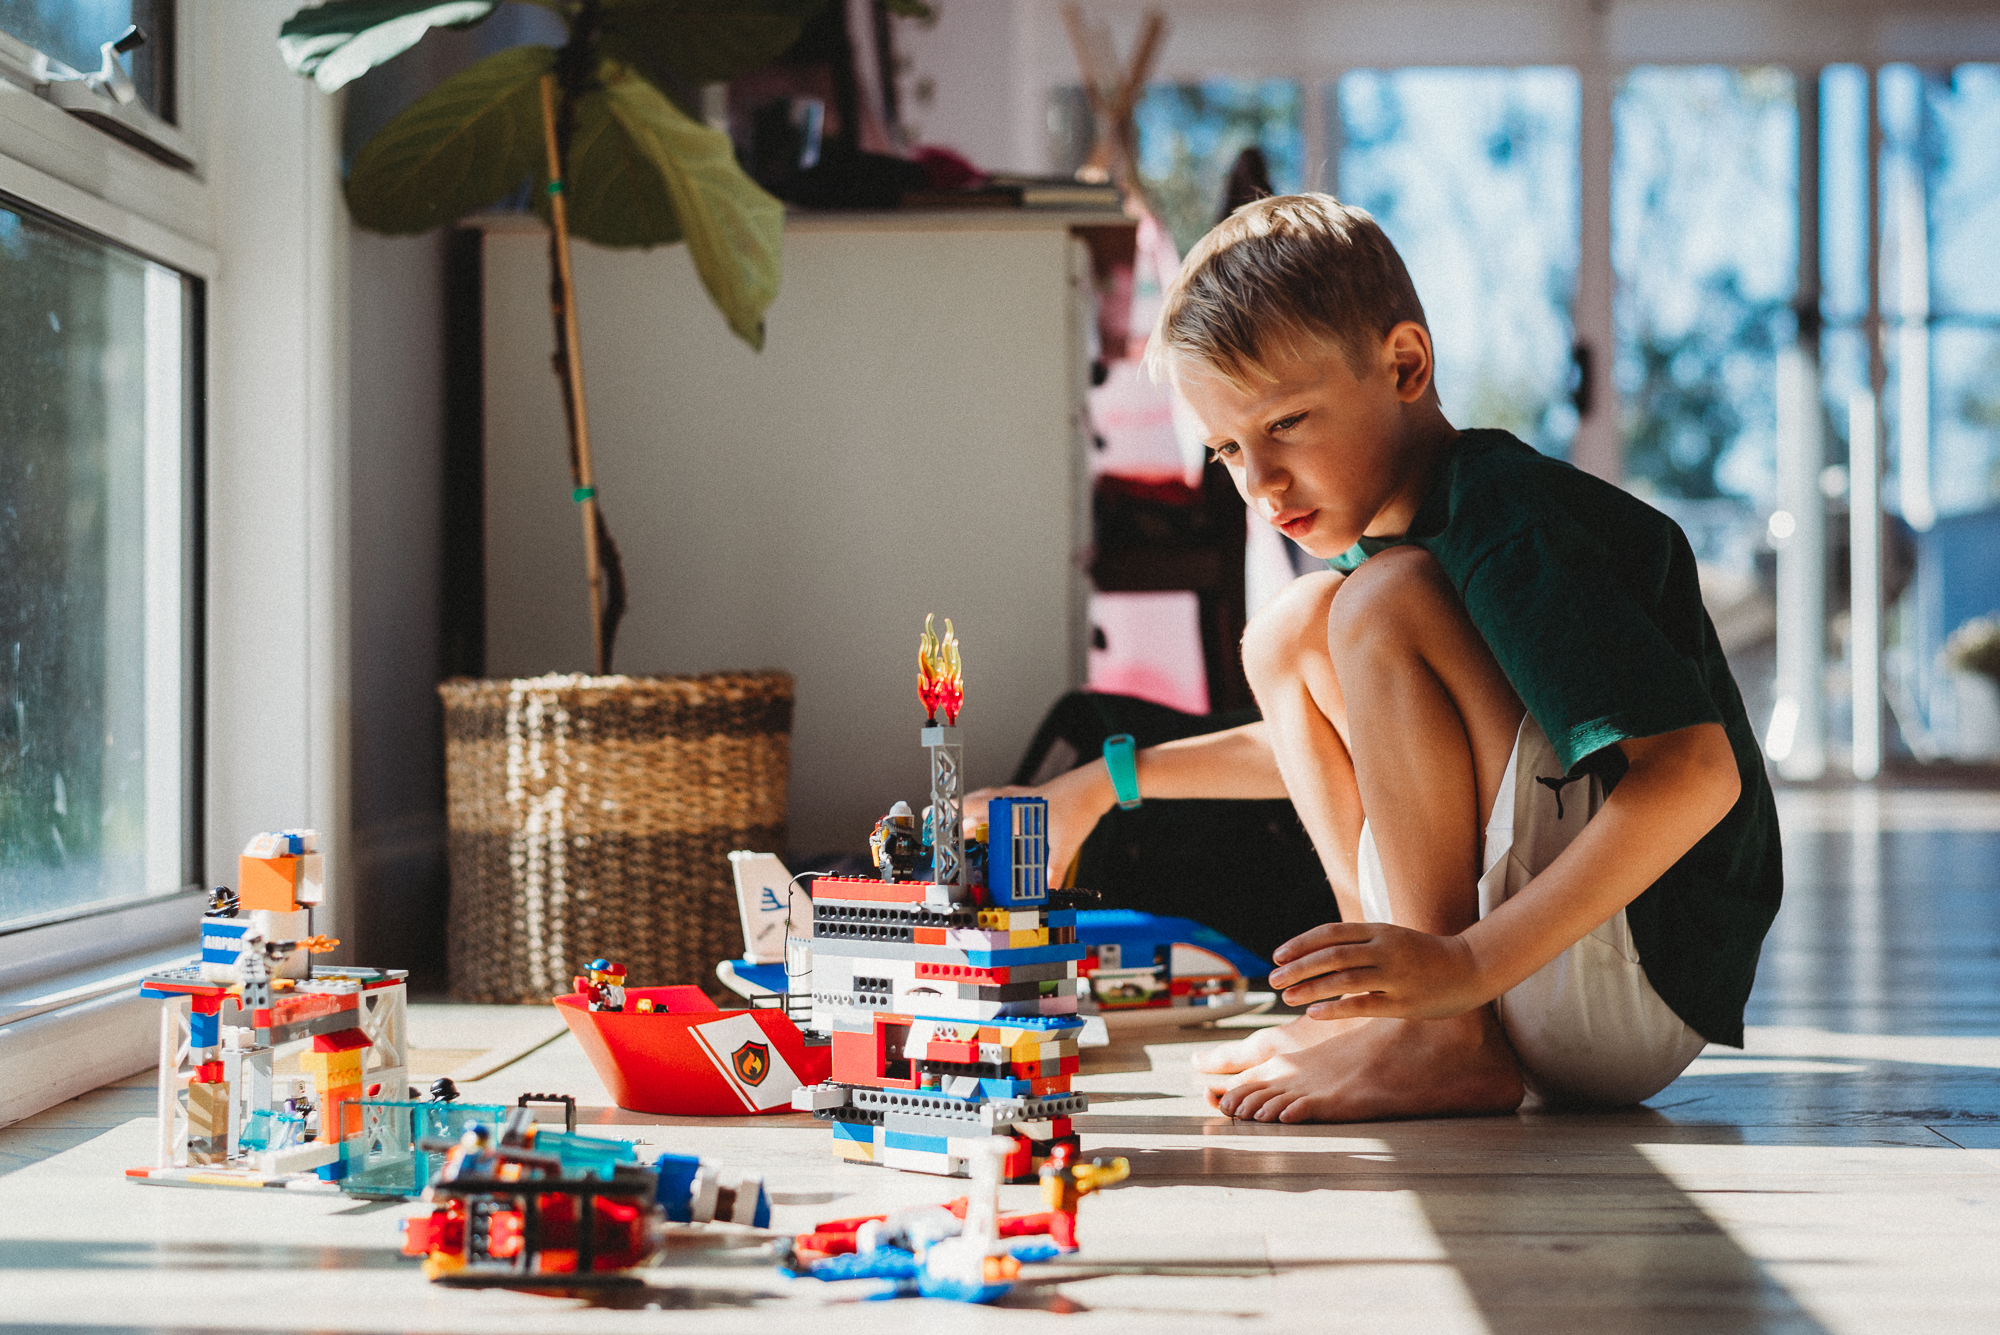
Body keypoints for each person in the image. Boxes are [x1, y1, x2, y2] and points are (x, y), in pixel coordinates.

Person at [968, 194, 1781, 1123]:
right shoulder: (1391, 550)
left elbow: (1695, 774)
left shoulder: (1507, 521)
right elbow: (1360, 752)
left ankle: (1442, 1036)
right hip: (1554, 970)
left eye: (1286, 424)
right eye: (1228, 449)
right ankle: (1392, 1013)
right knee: (1289, 633)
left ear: (1404, 366)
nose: (1259, 483)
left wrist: (1467, 966)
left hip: (1640, 970)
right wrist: (1096, 786)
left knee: (1375, 604)